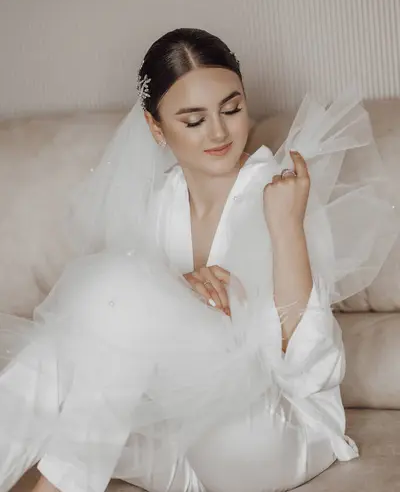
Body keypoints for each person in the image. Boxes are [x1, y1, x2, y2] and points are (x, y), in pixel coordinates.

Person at [0, 28, 397, 492]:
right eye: (193, 120)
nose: (219, 131)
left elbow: (308, 371)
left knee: (119, 287)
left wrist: (285, 229)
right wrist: (177, 295)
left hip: (277, 434)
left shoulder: (280, 192)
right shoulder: (160, 203)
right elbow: (118, 349)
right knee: (59, 355)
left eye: (232, 109)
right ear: (156, 128)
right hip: (184, 444)